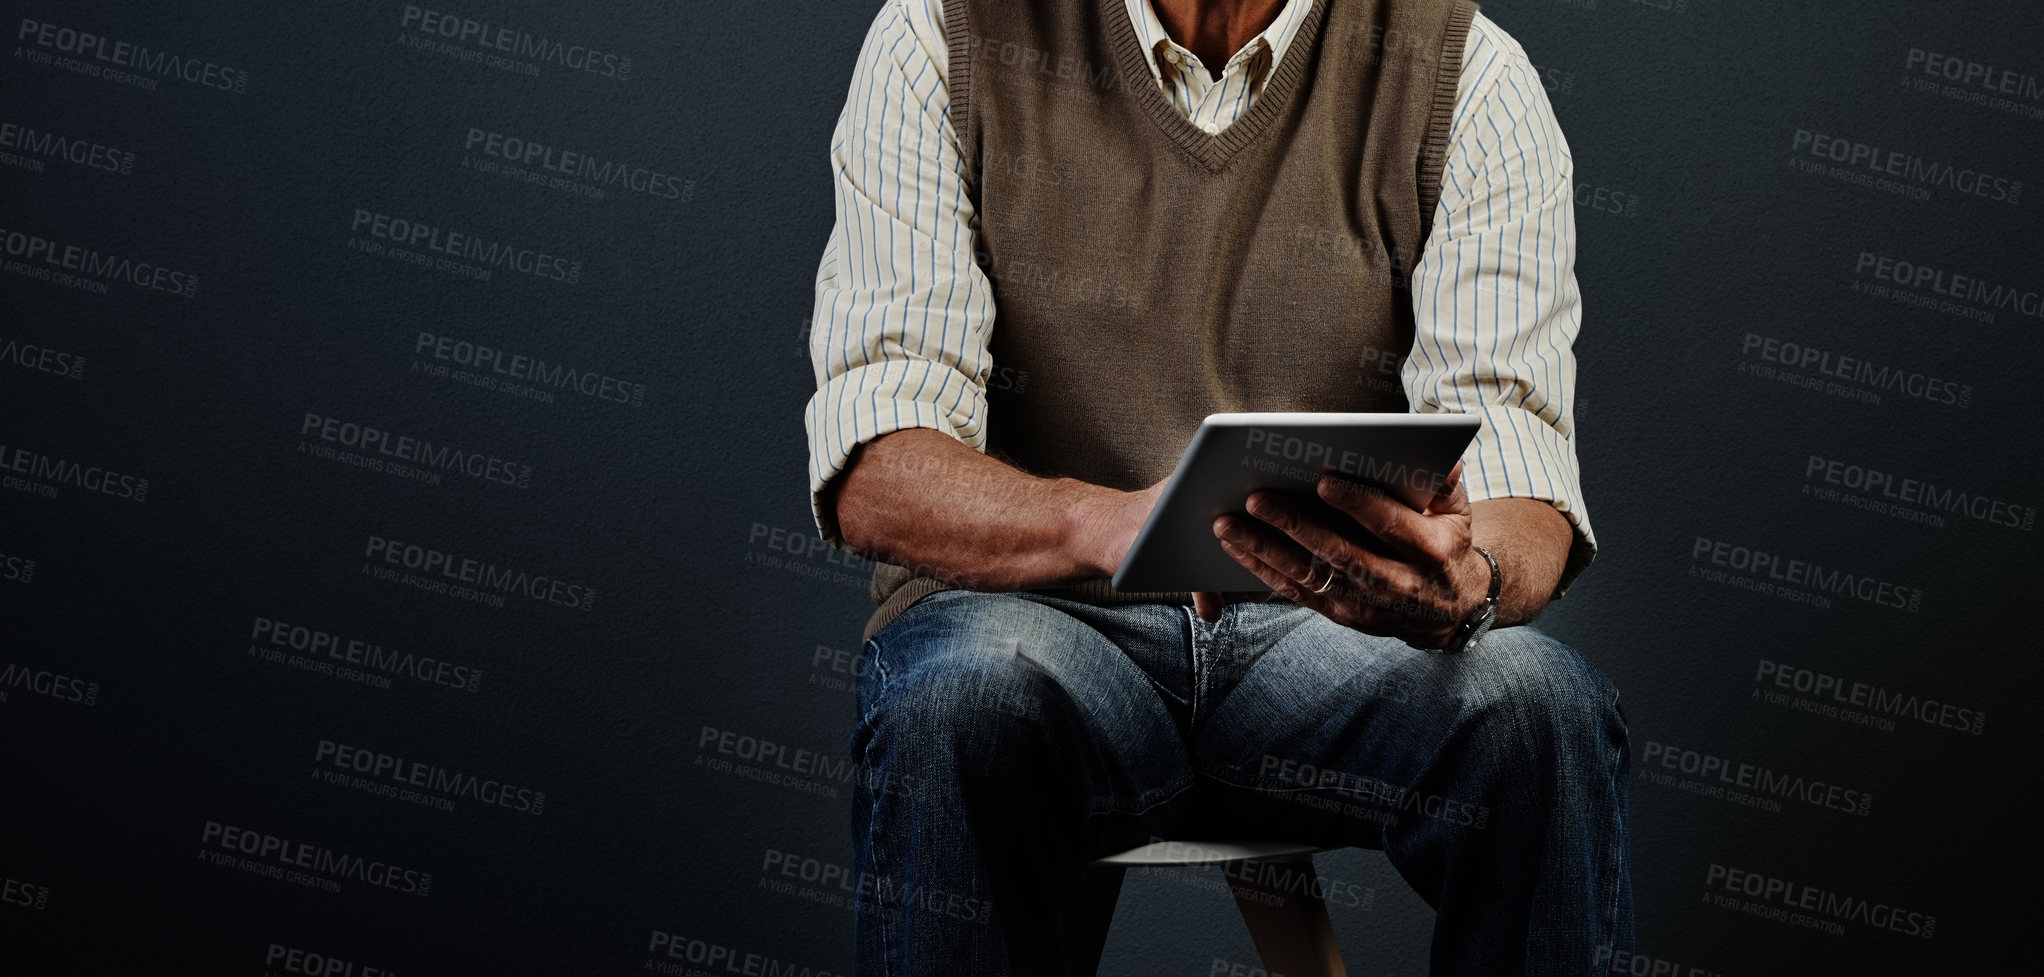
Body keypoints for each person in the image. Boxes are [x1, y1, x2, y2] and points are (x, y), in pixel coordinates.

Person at [803, 0, 1631, 972]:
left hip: (1333, 643)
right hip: (1040, 626)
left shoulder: (1468, 73)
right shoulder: (940, 37)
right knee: (958, 698)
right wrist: (1109, 524)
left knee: (1538, 705)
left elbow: (1518, 467)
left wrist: (1471, 577)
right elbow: (878, 464)